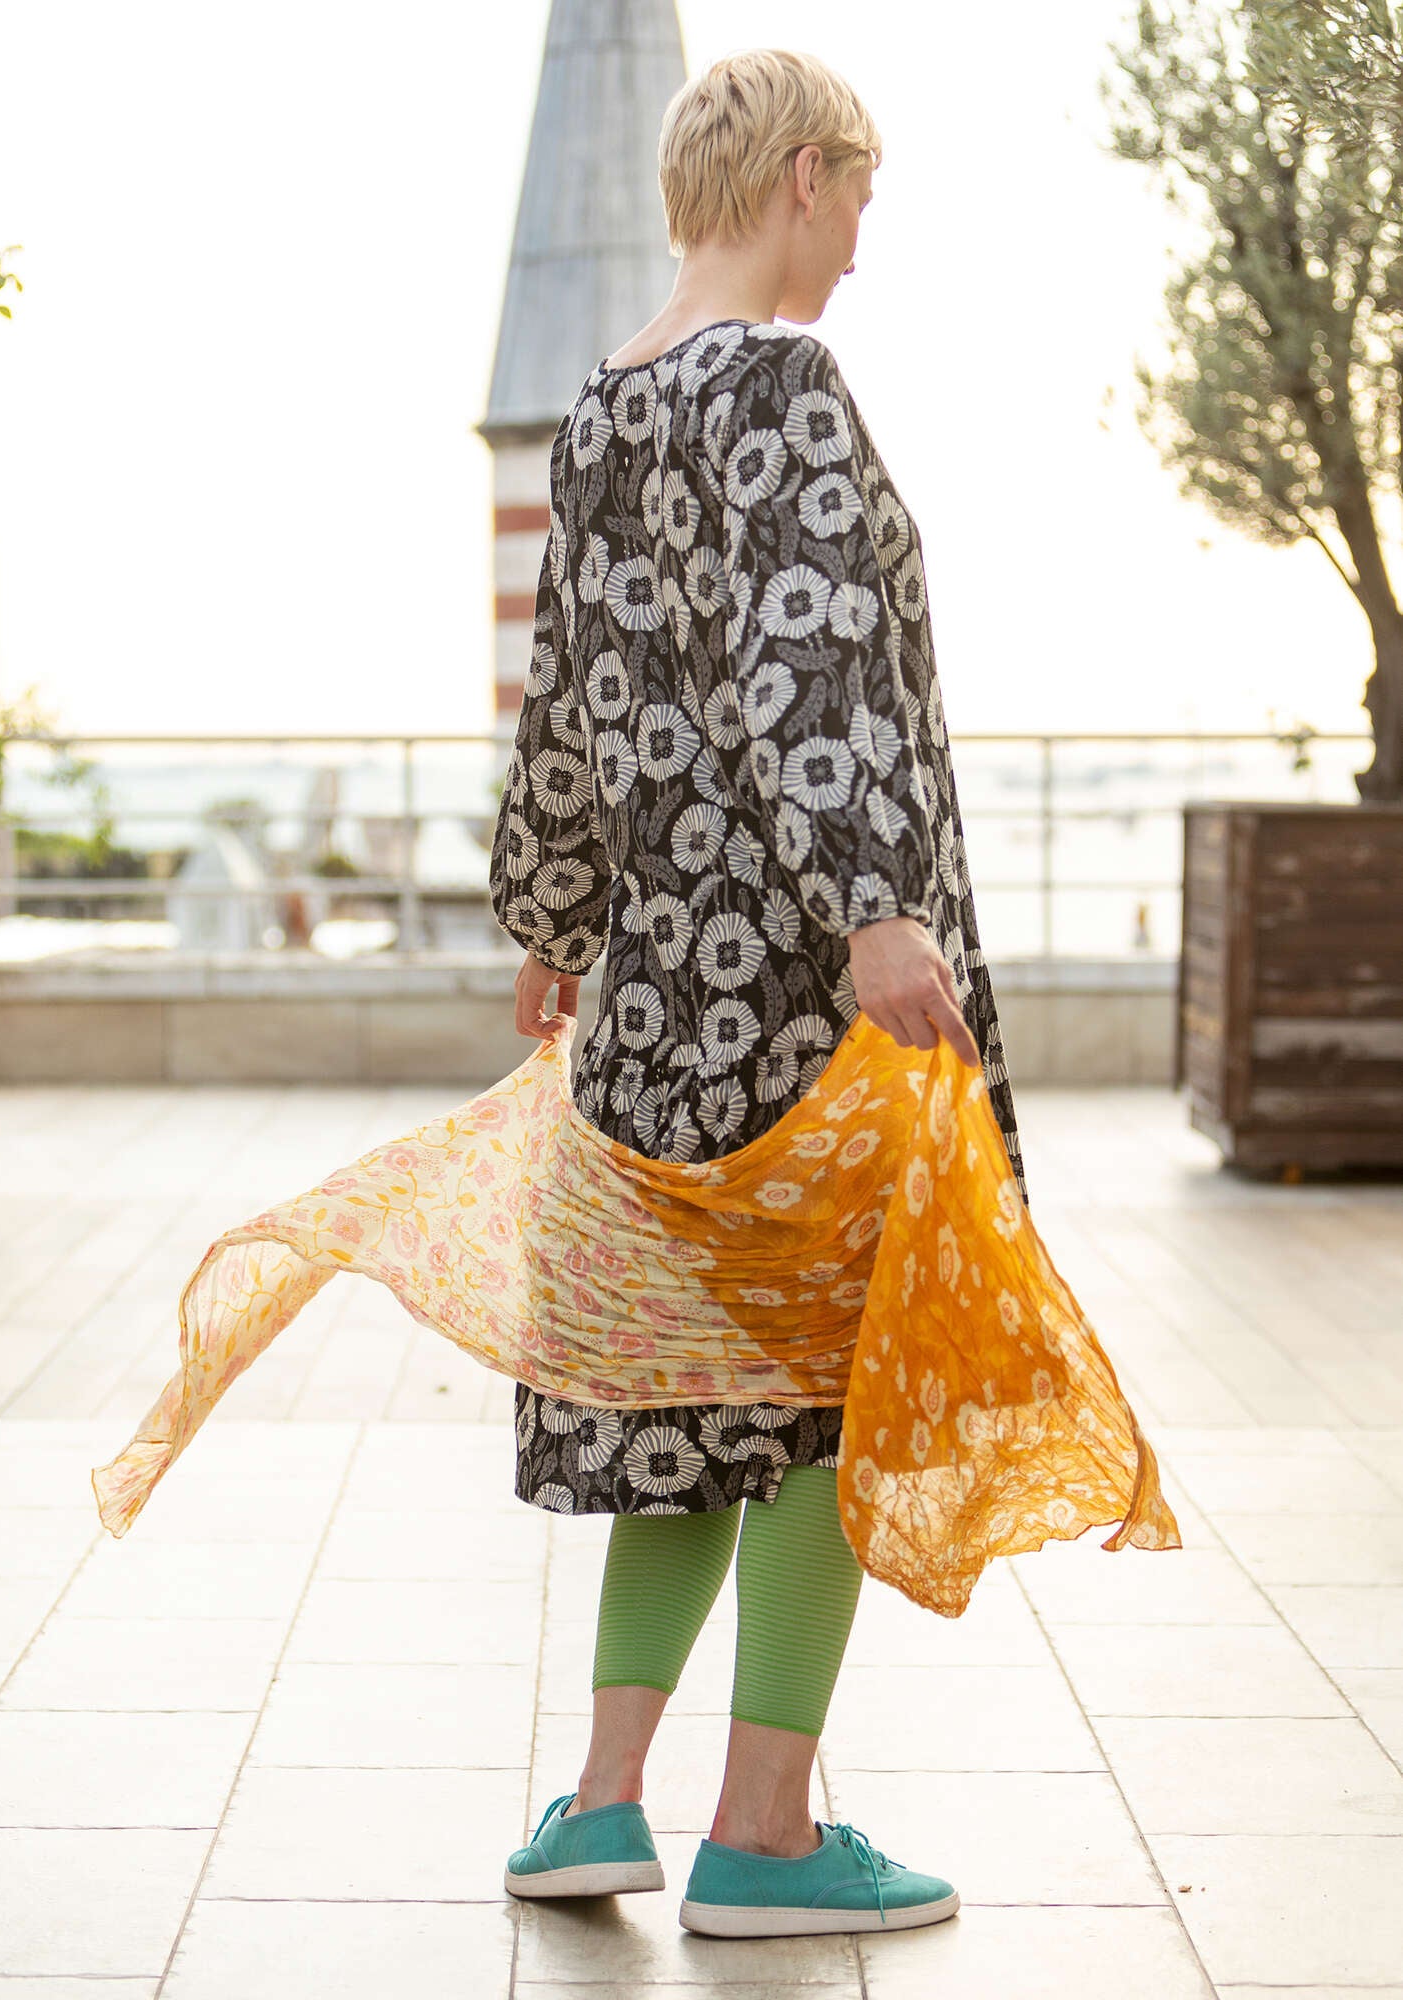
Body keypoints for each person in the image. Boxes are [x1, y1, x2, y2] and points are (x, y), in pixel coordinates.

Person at [488, 46, 1021, 1938]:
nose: (857, 244)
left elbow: (561, 697)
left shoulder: (599, 407)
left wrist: (555, 918)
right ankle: (767, 1839)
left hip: (650, 986)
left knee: (682, 1396)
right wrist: (877, 910)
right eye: (857, 198)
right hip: (799, 993)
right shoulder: (779, 384)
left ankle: (599, 1809)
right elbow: (816, 666)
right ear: (801, 173)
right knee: (828, 1394)